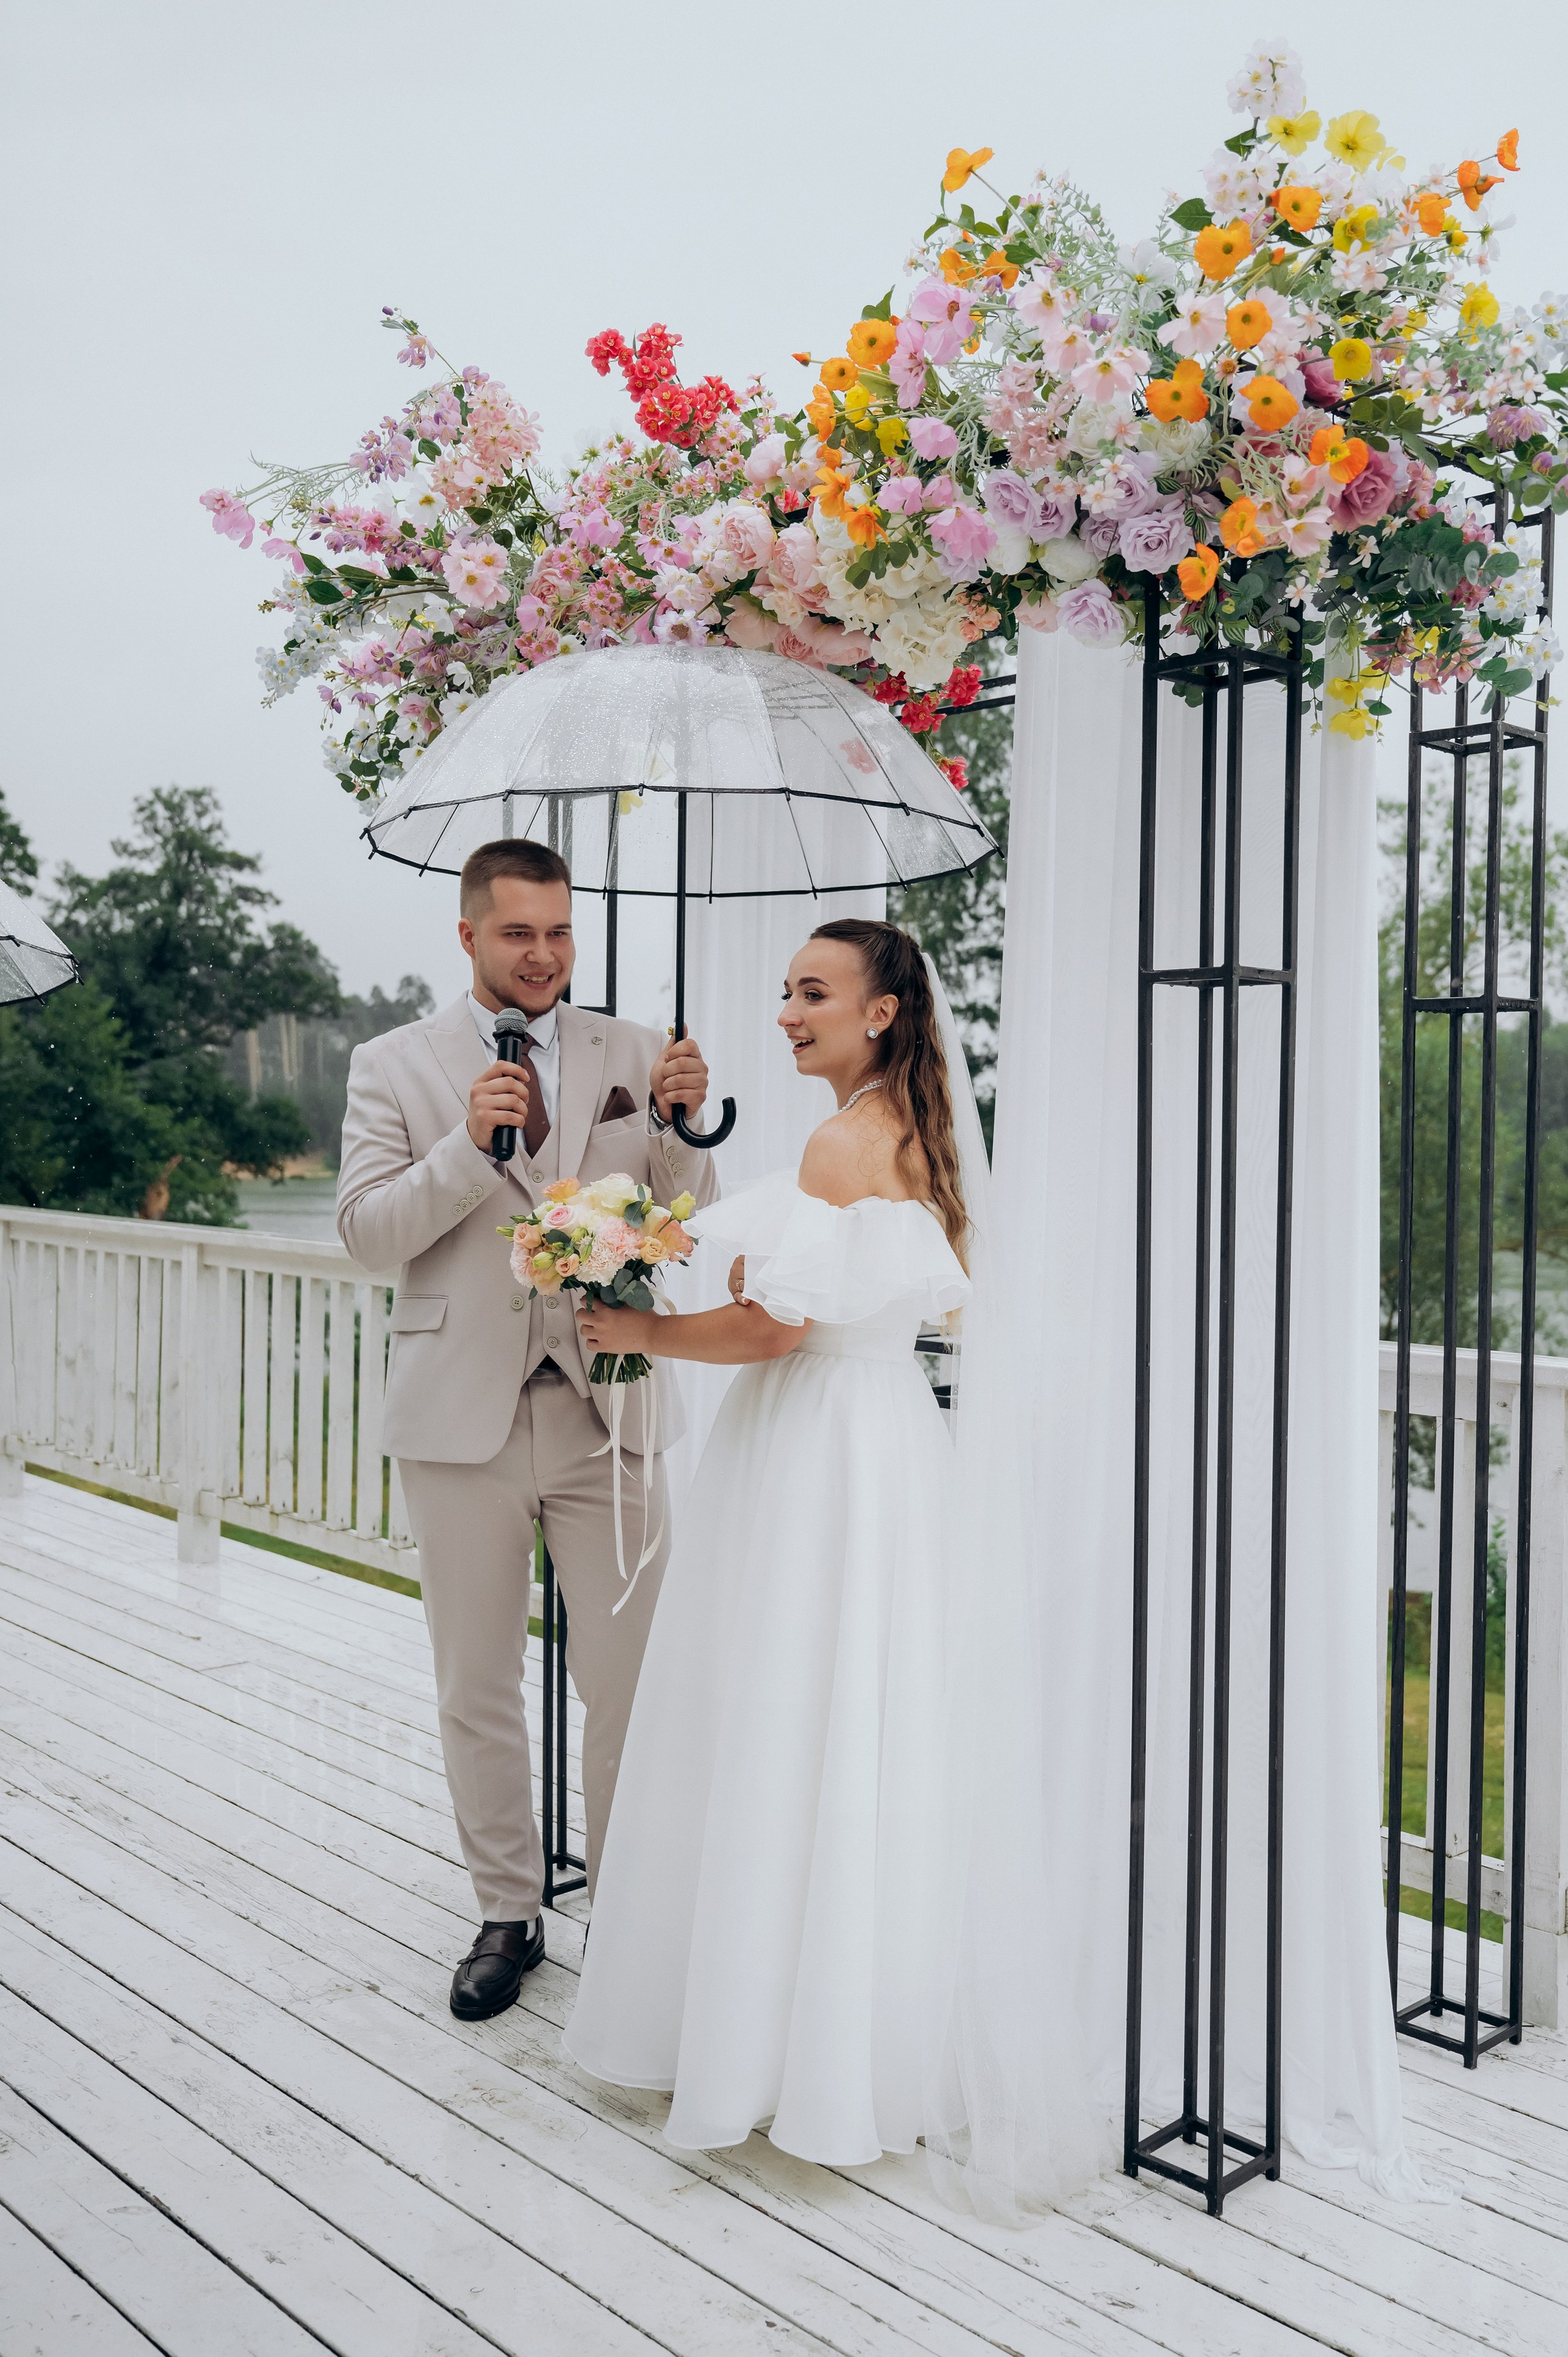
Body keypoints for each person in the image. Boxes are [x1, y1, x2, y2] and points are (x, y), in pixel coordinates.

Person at [563, 917, 1106, 2218]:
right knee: (860, 1728)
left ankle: (768, 2047)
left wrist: (632, 1327)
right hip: (883, 1444)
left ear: (879, 1012)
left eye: (812, 993)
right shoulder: (910, 1129)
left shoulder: (840, 1140)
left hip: (812, 1444)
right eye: (784, 990)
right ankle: (853, 2050)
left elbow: (771, 1328)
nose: (786, 1012)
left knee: (780, 1718)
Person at [336, 837, 719, 2024]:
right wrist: (467, 1148)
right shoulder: (393, 1064)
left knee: (631, 1684)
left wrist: (682, 1131)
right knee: (477, 1684)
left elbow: (683, 1217)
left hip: (613, 1408)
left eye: (559, 931)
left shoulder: (637, 1050)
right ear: (469, 936)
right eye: (518, 933)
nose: (544, 954)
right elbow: (366, 1234)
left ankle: (628, 1910)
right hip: (462, 1421)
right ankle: (507, 1912)